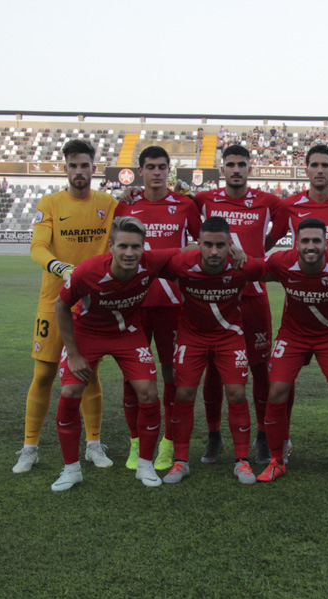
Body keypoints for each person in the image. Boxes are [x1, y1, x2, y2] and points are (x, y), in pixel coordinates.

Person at [13, 139, 129, 475]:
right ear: (65, 168)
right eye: (73, 165)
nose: (79, 172)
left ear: (95, 168)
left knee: (88, 373)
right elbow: (37, 247)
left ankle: (94, 445)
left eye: (85, 165)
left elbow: (133, 228)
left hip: (93, 305)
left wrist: (133, 198)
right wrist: (59, 267)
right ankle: (29, 447)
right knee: (44, 374)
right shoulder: (49, 203)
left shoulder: (108, 203)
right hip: (54, 302)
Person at [50, 216, 178, 490]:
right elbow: (61, 306)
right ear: (111, 246)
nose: (129, 253)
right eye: (123, 246)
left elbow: (187, 252)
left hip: (128, 333)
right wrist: (73, 354)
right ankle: (71, 469)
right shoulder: (87, 272)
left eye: (135, 247)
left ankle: (144, 465)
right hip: (88, 333)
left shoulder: (151, 263)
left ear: (144, 247)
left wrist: (232, 250)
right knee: (70, 392)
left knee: (148, 392)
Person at [257, 218, 328, 485]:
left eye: (316, 241)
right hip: (292, 335)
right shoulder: (281, 261)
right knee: (276, 391)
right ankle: (276, 461)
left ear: (326, 243)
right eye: (305, 241)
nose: (311, 246)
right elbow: (255, 271)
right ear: (296, 244)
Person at [191, 145, 282, 465]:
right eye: (230, 164)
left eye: (241, 164)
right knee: (214, 367)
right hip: (216, 296)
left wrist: (257, 254)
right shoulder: (204, 200)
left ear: (249, 167)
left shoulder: (268, 202)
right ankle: (214, 437)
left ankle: (262, 436)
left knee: (260, 368)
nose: (236, 169)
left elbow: (283, 228)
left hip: (254, 295)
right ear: (222, 169)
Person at [159, 216, 262, 485]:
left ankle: (242, 461)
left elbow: (276, 271)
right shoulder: (181, 264)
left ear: (230, 245)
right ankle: (180, 461)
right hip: (191, 336)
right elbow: (150, 263)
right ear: (199, 244)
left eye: (220, 245)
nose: (214, 251)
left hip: (229, 335)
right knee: (184, 392)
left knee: (237, 392)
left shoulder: (242, 265)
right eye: (208, 245)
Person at [125, 146, 202, 471]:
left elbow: (202, 245)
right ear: (140, 171)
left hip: (173, 305)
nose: (157, 172)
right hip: (133, 304)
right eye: (150, 167)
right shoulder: (127, 206)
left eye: (162, 167)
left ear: (169, 170)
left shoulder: (185, 205)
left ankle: (168, 444)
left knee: (173, 375)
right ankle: (135, 444)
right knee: (132, 379)